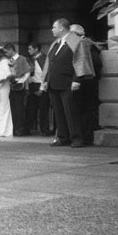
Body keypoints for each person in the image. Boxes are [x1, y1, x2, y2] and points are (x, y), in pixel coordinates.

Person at [42, 18, 96, 148]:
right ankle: (63, 137)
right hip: (54, 83)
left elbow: (81, 60)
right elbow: (50, 63)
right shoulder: (56, 43)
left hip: (68, 83)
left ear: (61, 28)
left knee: (72, 112)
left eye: (54, 27)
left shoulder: (77, 42)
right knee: (59, 112)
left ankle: (77, 138)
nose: (52, 30)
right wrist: (45, 80)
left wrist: (77, 80)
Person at [70, 24, 103, 145]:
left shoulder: (84, 45)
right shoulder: (90, 45)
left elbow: (94, 64)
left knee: (84, 110)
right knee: (86, 110)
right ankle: (85, 136)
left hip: (85, 81)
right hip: (88, 80)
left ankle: (85, 137)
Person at [3, 43, 32, 136]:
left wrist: (21, 81)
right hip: (11, 87)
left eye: (7, 52)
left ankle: (20, 128)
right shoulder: (8, 61)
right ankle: (14, 127)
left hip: (19, 86)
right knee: (13, 108)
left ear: (11, 50)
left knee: (19, 108)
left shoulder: (22, 59)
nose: (6, 54)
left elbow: (27, 72)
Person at [25, 42, 51, 135]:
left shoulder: (44, 59)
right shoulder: (30, 60)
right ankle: (28, 128)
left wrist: (41, 89)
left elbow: (45, 74)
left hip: (41, 85)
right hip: (32, 85)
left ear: (36, 49)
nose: (29, 51)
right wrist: (27, 87)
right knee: (30, 108)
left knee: (43, 109)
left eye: (30, 49)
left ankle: (44, 129)